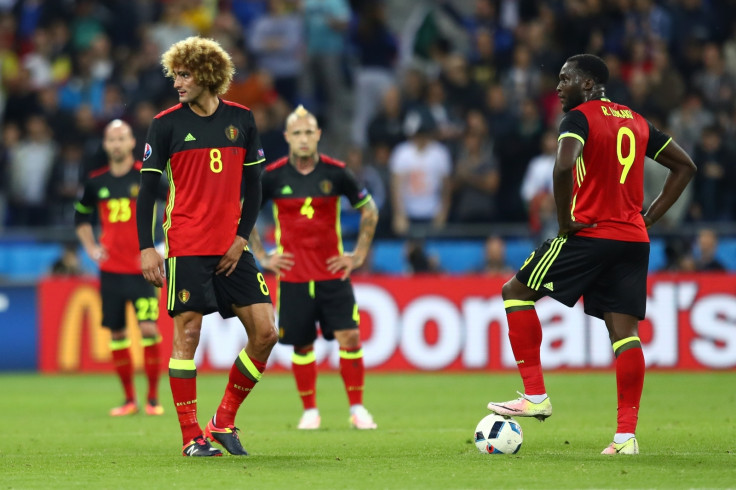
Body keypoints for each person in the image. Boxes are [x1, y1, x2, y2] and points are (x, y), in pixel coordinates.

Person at [486, 54, 696, 455]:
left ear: (587, 84)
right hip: (633, 240)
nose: (558, 86)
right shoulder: (636, 121)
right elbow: (685, 166)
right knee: (625, 334)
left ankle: (535, 396)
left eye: (565, 79)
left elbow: (564, 167)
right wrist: (648, 216)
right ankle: (625, 437)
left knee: (514, 292)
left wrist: (564, 220)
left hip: (590, 232)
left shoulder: (579, 118)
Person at [136, 36, 278, 457]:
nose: (177, 82)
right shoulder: (165, 124)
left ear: (208, 75)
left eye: (185, 74)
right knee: (189, 333)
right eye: (175, 74)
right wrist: (147, 248)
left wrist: (240, 239)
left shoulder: (243, 120)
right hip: (187, 243)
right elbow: (146, 193)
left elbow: (254, 188)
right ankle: (190, 437)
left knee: (267, 333)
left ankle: (223, 419)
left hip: (233, 247)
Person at [248, 105, 380, 430]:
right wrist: (263, 257)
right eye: (298, 133)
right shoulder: (274, 175)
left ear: (318, 135)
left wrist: (358, 255)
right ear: (287, 138)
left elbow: (370, 210)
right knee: (302, 344)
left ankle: (357, 408)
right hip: (293, 276)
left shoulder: (337, 173)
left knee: (349, 336)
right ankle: (310, 410)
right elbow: (245, 212)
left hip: (333, 272)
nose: (304, 138)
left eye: (309, 132)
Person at [75, 119, 167, 417]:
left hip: (142, 269)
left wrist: (164, 242)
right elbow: (81, 218)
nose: (116, 144)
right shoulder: (96, 182)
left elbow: (176, 204)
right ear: (105, 145)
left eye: (122, 138)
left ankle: (153, 399)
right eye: (111, 139)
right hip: (111, 270)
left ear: (131, 143)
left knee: (148, 328)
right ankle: (130, 399)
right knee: (116, 334)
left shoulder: (147, 176)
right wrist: (91, 248)